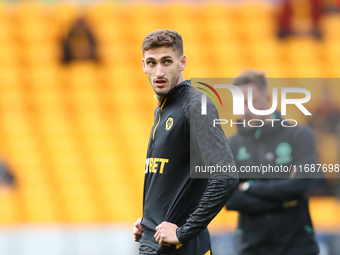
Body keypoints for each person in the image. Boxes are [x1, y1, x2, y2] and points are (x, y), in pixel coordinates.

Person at [133, 29, 238, 255]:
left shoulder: (195, 105)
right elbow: (172, 178)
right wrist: (149, 221)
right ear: (143, 65)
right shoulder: (163, 109)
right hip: (154, 245)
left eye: (166, 62)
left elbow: (226, 177)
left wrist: (182, 232)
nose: (158, 71)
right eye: (152, 63)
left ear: (182, 62)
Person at [225, 70, 320, 255]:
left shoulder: (299, 135)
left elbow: (301, 186)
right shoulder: (231, 145)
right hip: (251, 249)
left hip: (298, 247)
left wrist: (248, 187)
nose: (245, 110)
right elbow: (231, 200)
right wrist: (284, 200)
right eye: (240, 104)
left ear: (267, 99)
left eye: (252, 102)